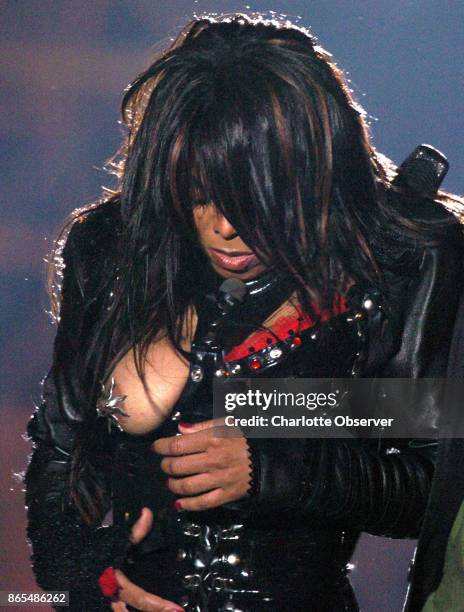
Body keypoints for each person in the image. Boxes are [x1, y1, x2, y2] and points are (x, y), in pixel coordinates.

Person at [24, 13, 464, 612]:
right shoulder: (113, 244)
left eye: (254, 199)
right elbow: (59, 446)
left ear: (313, 174)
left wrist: (274, 467)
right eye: (200, 193)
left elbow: (432, 491)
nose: (226, 226)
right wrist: (86, 587)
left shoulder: (400, 256)